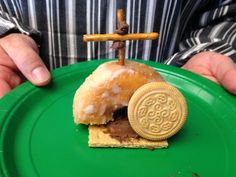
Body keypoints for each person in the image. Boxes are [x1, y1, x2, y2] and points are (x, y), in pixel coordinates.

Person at [0, 0, 235, 98]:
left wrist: (209, 49)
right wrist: (5, 35)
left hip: (169, 85)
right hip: (30, 89)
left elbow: (224, 12)